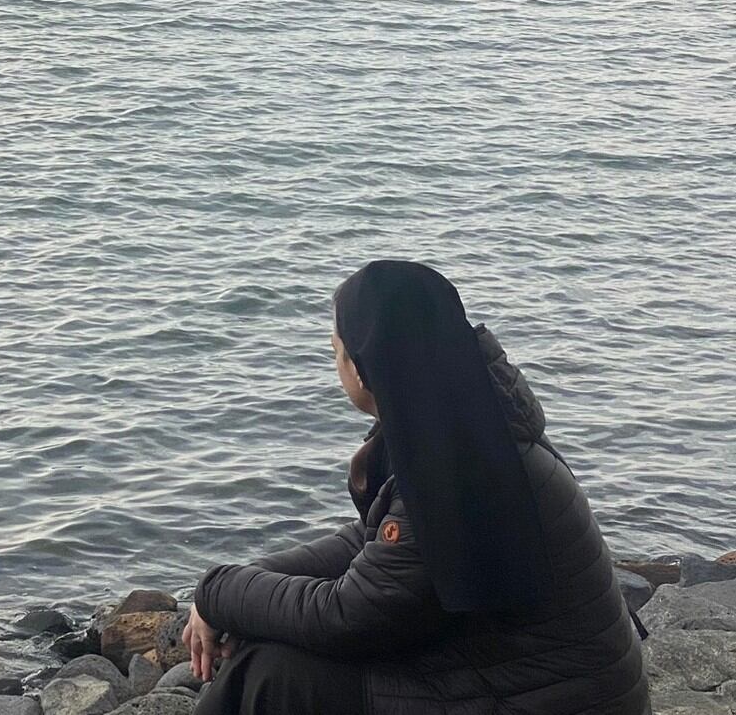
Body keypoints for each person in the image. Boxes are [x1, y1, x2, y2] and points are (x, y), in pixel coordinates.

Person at [183, 259, 648, 715]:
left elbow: (349, 617)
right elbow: (375, 541)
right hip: (535, 680)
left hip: (553, 697)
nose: (334, 356)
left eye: (336, 349)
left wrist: (219, 591)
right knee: (269, 635)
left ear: (363, 370)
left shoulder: (458, 468)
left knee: (272, 674)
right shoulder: (465, 424)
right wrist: (243, 584)